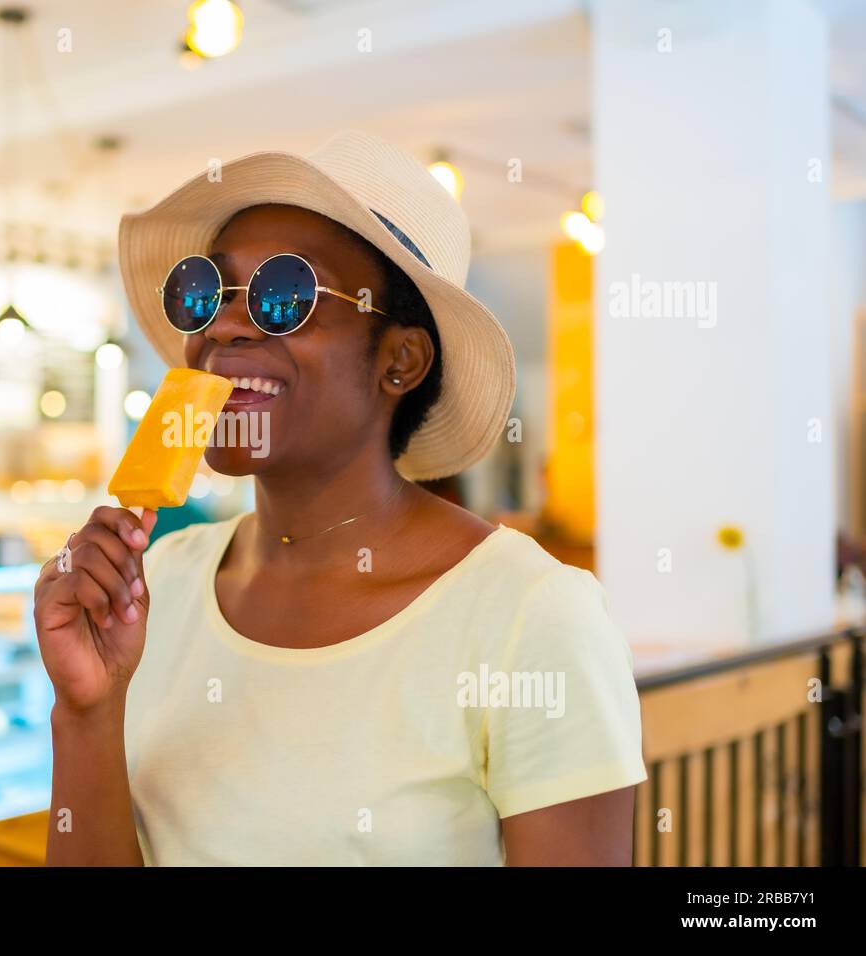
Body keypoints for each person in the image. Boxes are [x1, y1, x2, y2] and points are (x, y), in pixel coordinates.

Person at [34, 130, 646, 865]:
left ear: (400, 360)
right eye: (205, 291)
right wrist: (86, 712)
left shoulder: (529, 615)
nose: (225, 323)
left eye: (284, 295)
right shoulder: (154, 586)